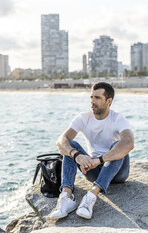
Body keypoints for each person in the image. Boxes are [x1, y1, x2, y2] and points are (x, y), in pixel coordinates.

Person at [49, 82, 134, 220]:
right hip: (92, 171)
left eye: (97, 98)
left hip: (117, 173)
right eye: (91, 97)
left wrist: (99, 160)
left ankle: (91, 196)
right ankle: (67, 197)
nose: (92, 101)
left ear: (109, 101)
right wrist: (77, 156)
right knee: (70, 144)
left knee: (119, 145)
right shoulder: (84, 117)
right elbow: (61, 141)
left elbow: (129, 143)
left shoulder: (118, 119)